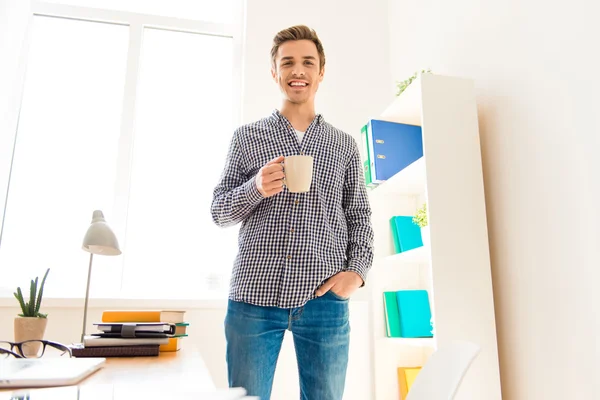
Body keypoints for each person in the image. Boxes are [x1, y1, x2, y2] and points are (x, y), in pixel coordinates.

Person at [211, 24, 374, 400]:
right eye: (288, 63)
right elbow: (219, 211)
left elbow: (359, 216)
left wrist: (357, 273)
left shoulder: (344, 145)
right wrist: (255, 188)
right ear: (274, 72)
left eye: (307, 62)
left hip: (325, 297)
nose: (297, 71)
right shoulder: (247, 137)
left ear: (321, 71)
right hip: (254, 294)